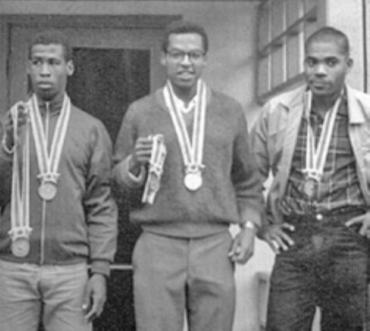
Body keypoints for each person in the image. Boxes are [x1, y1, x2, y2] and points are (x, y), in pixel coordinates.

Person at [113, 20, 263, 331]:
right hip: (158, 240)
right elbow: (115, 181)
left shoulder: (229, 110)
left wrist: (249, 227)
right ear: (163, 58)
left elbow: (248, 179)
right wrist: (133, 166)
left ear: (205, 59)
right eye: (178, 54)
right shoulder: (140, 111)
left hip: (215, 242)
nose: (186, 62)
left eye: (194, 55)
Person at [0, 29, 117, 331]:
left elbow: (101, 205)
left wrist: (100, 270)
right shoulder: (4, 124)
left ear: (69, 68)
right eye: (37, 62)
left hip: (70, 271)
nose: (44, 71)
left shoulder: (90, 129)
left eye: (53, 62)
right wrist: (8, 147)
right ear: (27, 67)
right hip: (14, 266)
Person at [251, 26, 370, 331]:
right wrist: (262, 225)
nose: (319, 71)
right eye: (311, 62)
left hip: (349, 238)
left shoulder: (367, 112)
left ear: (348, 65)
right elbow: (247, 176)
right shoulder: (276, 111)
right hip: (295, 237)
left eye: (331, 62)